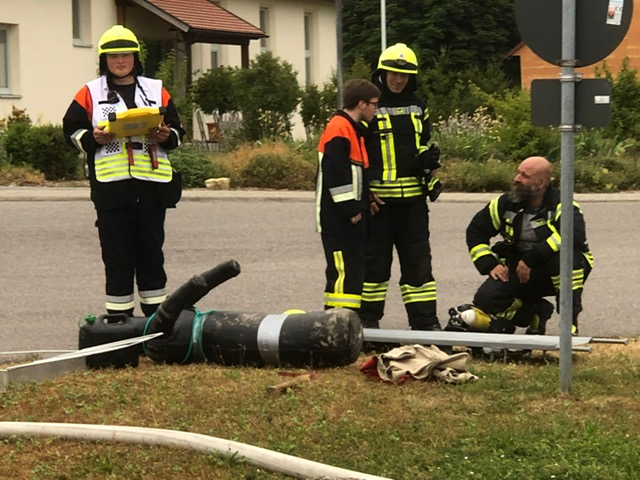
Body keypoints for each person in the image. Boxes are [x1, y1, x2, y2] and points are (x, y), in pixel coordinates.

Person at [63, 25, 186, 317]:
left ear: (135, 58)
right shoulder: (89, 92)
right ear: (104, 60)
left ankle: (157, 322)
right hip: (112, 191)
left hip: (151, 188)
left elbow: (178, 133)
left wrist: (166, 135)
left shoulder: (156, 89)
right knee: (117, 257)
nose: (120, 61)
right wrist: (92, 138)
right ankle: (119, 322)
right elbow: (71, 131)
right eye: (113, 56)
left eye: (126, 55)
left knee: (151, 255)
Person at [446, 156, 594, 335]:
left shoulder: (562, 204)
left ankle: (569, 326)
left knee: (567, 260)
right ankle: (535, 313)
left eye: (525, 176)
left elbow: (573, 235)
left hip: (551, 270)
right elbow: (476, 232)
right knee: (486, 299)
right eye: (518, 173)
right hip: (520, 270)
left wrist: (532, 258)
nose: (517, 179)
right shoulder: (505, 203)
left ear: (541, 183)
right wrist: (489, 264)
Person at [360, 43, 443, 331]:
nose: (398, 80)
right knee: (374, 267)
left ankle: (425, 323)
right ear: (381, 74)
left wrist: (427, 159)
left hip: (413, 204)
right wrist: (365, 191)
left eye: (404, 75)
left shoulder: (419, 104)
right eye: (393, 74)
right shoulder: (369, 104)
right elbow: (357, 151)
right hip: (379, 204)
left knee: (419, 266)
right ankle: (367, 323)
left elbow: (422, 141)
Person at [316, 79, 381, 311]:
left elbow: (355, 174)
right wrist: (351, 209)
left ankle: (346, 321)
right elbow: (336, 174)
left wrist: (366, 199)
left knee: (351, 273)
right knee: (343, 274)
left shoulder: (353, 130)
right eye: (374, 104)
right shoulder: (339, 129)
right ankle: (337, 322)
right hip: (340, 220)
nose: (376, 110)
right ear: (361, 104)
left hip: (348, 218)